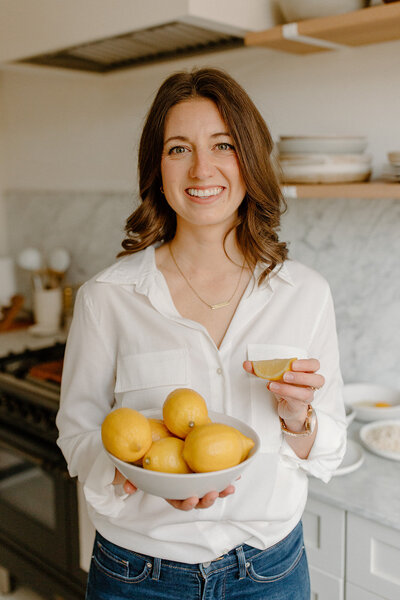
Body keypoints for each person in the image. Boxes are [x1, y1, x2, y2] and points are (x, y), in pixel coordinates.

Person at [56, 67, 347, 600]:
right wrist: (135, 475)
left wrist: (298, 418)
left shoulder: (305, 293)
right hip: (137, 576)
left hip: (270, 573)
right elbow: (77, 435)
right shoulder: (108, 298)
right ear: (158, 169)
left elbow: (327, 446)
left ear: (251, 160)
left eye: (223, 145)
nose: (202, 168)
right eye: (178, 149)